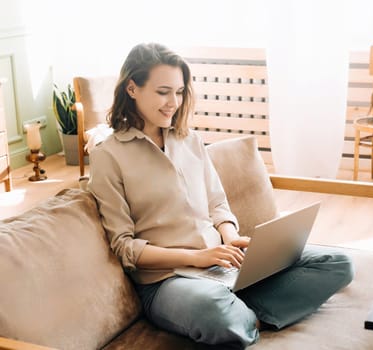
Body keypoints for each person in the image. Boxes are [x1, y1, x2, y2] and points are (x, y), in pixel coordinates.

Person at [88, 42, 354, 349]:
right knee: (214, 310)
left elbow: (217, 203)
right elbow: (125, 246)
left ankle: (245, 312)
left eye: (179, 91)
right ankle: (244, 312)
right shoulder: (108, 156)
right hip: (168, 281)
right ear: (132, 88)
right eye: (163, 92)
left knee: (336, 263)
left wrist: (230, 236)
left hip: (222, 263)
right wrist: (197, 257)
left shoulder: (190, 140)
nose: (173, 102)